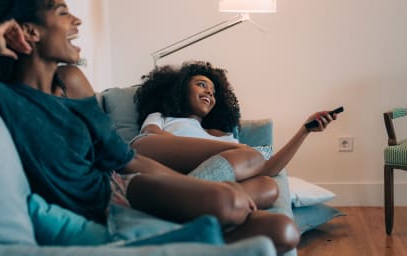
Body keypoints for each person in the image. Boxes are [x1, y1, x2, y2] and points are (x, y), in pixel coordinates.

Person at [0, 0, 298, 254]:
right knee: (240, 209)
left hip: (122, 185)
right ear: (29, 31)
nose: (76, 21)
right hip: (100, 209)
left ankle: (205, 218)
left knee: (280, 227)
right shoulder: (5, 96)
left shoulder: (72, 81)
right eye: (62, 12)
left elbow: (125, 158)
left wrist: (191, 192)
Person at [132, 61, 338, 209]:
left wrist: (304, 131)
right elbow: (150, 139)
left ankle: (188, 200)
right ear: (180, 88)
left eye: (213, 92)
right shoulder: (163, 117)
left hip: (207, 181)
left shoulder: (223, 136)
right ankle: (193, 197)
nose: (209, 94)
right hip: (164, 160)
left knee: (268, 186)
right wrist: (230, 151)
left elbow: (267, 169)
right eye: (202, 84)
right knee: (248, 155)